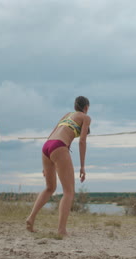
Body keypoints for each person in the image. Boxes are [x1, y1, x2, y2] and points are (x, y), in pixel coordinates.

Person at [26, 96, 91, 236]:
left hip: (47, 146)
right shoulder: (86, 118)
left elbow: (52, 133)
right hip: (59, 146)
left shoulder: (67, 115)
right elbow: (82, 142)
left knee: (50, 188)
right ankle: (61, 230)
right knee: (69, 192)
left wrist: (46, 164)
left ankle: (31, 218)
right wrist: (82, 167)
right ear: (86, 107)